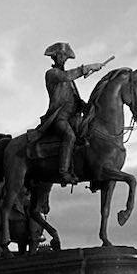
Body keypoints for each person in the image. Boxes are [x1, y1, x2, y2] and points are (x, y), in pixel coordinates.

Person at [38, 43, 106, 187]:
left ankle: (94, 173)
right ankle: (63, 172)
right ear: (55, 56)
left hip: (73, 117)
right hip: (59, 117)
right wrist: (88, 67)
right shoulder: (53, 74)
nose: (64, 59)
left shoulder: (70, 83)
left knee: (90, 133)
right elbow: (67, 76)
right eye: (61, 56)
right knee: (69, 136)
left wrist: (85, 105)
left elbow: (74, 98)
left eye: (65, 57)